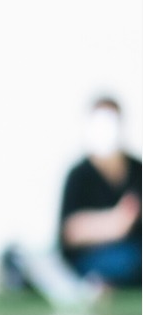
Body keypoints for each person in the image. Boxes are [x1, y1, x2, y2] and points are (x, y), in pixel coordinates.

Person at [58, 96, 142, 288]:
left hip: (134, 250)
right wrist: (114, 222)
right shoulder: (79, 174)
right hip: (92, 257)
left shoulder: (138, 170)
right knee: (127, 259)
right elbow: (69, 231)